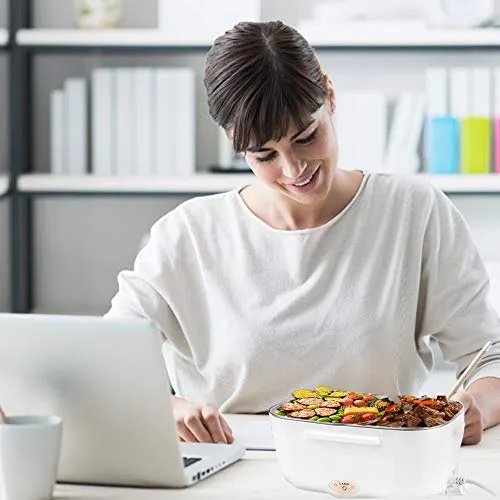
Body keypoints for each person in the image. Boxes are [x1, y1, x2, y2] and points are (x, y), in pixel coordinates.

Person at [106, 20, 500, 446]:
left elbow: (490, 359)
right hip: (229, 470)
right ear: (234, 142)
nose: (294, 170)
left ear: (329, 95)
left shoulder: (414, 211)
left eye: (307, 137)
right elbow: (104, 360)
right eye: (264, 154)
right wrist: (169, 410)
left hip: (379, 467)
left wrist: (473, 408)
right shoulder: (188, 235)